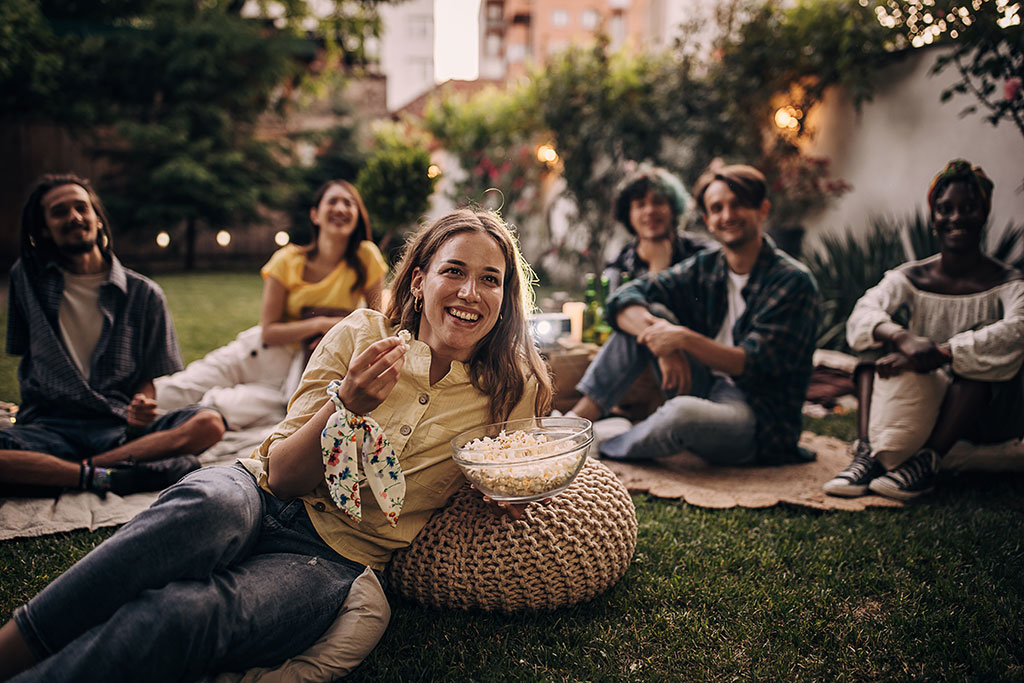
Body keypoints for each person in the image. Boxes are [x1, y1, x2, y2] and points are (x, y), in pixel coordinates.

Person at [0, 208, 553, 681]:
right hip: (260, 491)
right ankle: (13, 647)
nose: (469, 292)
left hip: (334, 556)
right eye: (453, 271)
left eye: (491, 279)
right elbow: (285, 475)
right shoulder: (361, 334)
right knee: (197, 512)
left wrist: (510, 494)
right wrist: (346, 404)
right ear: (418, 281)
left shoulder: (512, 387)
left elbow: (514, 476)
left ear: (505, 298)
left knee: (187, 616)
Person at [570, 164, 821, 465]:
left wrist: (682, 339)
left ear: (762, 209)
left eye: (738, 205)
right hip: (703, 383)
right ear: (708, 220)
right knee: (648, 313)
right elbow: (624, 297)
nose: (727, 216)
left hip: (756, 415)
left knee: (682, 414)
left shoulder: (793, 281)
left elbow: (748, 361)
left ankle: (597, 447)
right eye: (717, 208)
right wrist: (664, 345)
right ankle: (574, 424)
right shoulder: (707, 265)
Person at [0, 174, 225, 498]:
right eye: (60, 211)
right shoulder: (26, 280)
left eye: (81, 207)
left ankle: (78, 470)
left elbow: (146, 381)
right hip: (47, 427)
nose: (74, 217)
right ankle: (114, 476)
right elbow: (25, 352)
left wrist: (142, 408)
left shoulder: (145, 294)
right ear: (44, 228)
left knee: (209, 424)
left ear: (97, 218)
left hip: (115, 429)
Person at [824, 159, 1024, 501]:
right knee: (872, 340)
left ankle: (927, 462)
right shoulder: (912, 276)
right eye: (945, 209)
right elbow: (862, 314)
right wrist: (903, 338)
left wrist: (942, 354)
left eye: (968, 208)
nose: (956, 218)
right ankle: (866, 453)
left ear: (984, 214)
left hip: (985, 411)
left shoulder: (1008, 281)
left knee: (980, 361)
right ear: (933, 219)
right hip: (928, 399)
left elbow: (1018, 330)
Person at [154, 179, 388, 430]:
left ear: (357, 215)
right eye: (332, 201)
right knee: (180, 389)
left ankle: (149, 432)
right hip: (260, 352)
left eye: (349, 203)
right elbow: (269, 331)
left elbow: (376, 327)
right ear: (315, 215)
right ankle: (119, 413)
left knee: (219, 408)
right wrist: (322, 324)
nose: (341, 208)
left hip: (300, 371)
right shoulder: (287, 259)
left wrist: (334, 337)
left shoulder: (366, 256)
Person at [603, 165, 714, 292]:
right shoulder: (619, 265)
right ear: (628, 214)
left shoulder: (704, 254)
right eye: (640, 205)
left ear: (674, 209)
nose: (650, 211)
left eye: (658, 202)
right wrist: (657, 269)